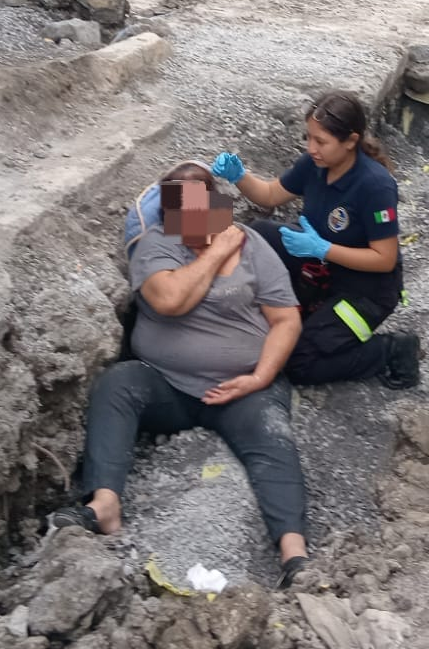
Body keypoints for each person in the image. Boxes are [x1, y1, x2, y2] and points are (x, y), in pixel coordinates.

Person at [77, 164, 313, 588]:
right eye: (176, 213)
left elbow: (286, 321)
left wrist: (260, 377)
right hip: (168, 385)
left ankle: (294, 555)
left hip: (243, 387)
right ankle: (105, 502)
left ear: (213, 204)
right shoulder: (156, 246)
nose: (186, 222)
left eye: (196, 209)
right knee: (117, 384)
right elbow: (169, 300)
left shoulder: (253, 244)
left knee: (272, 439)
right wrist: (216, 253)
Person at [212, 92, 421, 391]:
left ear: (350, 141)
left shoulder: (375, 185)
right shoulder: (316, 164)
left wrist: (323, 249)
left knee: (299, 361)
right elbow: (271, 195)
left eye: (320, 141)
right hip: (325, 267)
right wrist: (240, 175)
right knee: (258, 232)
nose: (311, 148)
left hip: (367, 292)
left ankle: (390, 351)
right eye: (309, 138)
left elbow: (384, 259)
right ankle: (297, 304)